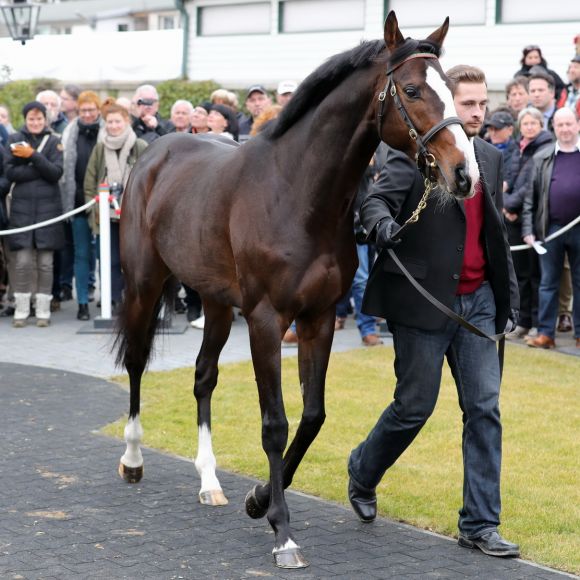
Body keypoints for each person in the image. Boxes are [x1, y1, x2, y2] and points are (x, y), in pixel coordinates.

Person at [347, 65, 520, 558]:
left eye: (483, 103)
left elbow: (495, 234)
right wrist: (381, 226)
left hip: (479, 304)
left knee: (484, 409)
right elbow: (375, 202)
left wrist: (507, 296)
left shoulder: (488, 156)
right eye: (469, 104)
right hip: (425, 302)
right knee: (414, 408)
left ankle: (480, 524)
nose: (478, 112)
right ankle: (363, 470)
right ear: (448, 106)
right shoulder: (415, 155)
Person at [522, 107, 580, 349]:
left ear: (577, 125)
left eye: (569, 124)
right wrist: (528, 230)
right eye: (560, 125)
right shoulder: (542, 157)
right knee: (548, 283)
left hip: (578, 229)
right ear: (553, 128)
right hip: (550, 229)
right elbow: (530, 199)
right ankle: (546, 334)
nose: (565, 129)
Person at [3, 101, 64, 327]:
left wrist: (32, 157)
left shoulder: (55, 141)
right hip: (22, 210)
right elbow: (10, 173)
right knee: (22, 261)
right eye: (31, 119)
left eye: (39, 118)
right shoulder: (14, 140)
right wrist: (38, 167)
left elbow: (55, 173)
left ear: (45, 119)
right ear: (26, 120)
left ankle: (43, 310)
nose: (36, 122)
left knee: (46, 263)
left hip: (48, 210)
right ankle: (21, 309)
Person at [84, 99, 148, 314]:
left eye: (117, 121)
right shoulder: (100, 147)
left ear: (126, 121)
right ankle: (111, 299)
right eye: (109, 122)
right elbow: (90, 180)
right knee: (108, 259)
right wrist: (92, 208)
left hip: (134, 216)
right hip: (106, 214)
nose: (113, 126)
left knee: (132, 260)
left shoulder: (139, 146)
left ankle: (133, 298)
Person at [503, 107, 553, 339]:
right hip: (512, 217)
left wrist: (510, 205)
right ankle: (521, 321)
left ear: (541, 125)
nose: (530, 127)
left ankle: (535, 321)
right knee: (519, 274)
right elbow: (506, 180)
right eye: (526, 123)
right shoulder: (516, 147)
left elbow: (530, 184)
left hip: (533, 218)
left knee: (536, 274)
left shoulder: (545, 148)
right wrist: (505, 206)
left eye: (534, 123)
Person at [60, 91, 104, 321]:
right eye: (83, 110)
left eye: (91, 110)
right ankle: (83, 303)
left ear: (98, 110)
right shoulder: (70, 132)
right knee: (82, 253)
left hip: (103, 203)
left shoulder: (107, 131)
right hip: (76, 201)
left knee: (106, 254)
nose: (87, 114)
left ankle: (109, 298)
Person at [484, 111, 518, 188]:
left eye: (497, 129)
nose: (493, 133)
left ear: (510, 130)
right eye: (490, 129)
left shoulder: (519, 151)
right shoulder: (481, 149)